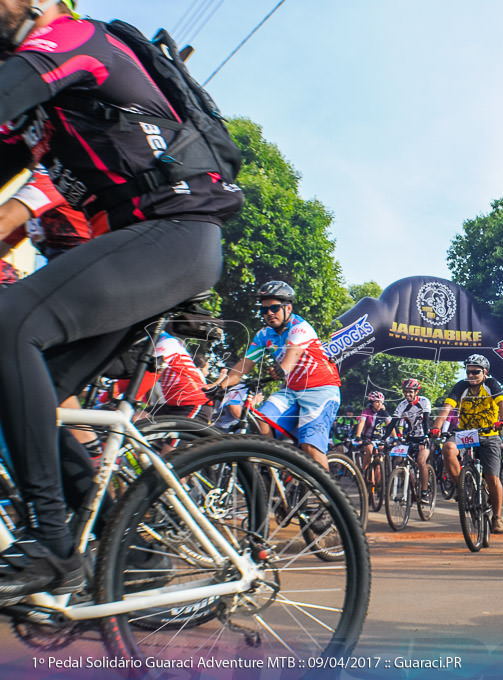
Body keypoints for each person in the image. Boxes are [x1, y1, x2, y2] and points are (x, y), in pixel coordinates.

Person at [0, 0, 242, 604]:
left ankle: (52, 548)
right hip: (143, 248)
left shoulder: (76, 39)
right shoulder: (52, 114)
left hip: (175, 234)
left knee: (8, 327)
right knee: (28, 392)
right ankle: (119, 549)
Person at [222, 282, 341, 469]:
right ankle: (272, 473)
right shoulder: (263, 334)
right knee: (261, 423)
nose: (269, 313)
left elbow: (291, 356)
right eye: (264, 309)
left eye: (274, 308)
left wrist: (281, 369)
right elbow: (245, 364)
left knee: (310, 446)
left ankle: (327, 496)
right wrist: (219, 385)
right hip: (291, 391)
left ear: (288, 308)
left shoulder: (300, 327)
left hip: (321, 391)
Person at [431, 355, 503, 534]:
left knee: (492, 478)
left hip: (489, 434)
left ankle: (497, 517)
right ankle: (461, 486)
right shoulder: (461, 386)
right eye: (468, 371)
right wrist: (436, 426)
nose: (471, 375)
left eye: (475, 371)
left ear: (485, 373)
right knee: (448, 448)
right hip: (465, 433)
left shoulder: (492, 385)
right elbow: (447, 408)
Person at [149, 330, 219, 422]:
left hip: (193, 405)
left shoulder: (167, 342)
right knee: (137, 417)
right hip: (173, 404)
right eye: (206, 369)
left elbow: (147, 372)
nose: (207, 373)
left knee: (169, 433)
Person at [388, 379, 432, 498]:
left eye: (410, 392)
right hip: (411, 438)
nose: (407, 394)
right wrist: (385, 437)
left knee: (421, 461)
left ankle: (424, 491)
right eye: (405, 392)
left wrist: (426, 436)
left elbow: (426, 421)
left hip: (424, 437)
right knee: (399, 460)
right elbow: (393, 423)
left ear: (416, 391)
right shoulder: (402, 404)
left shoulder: (424, 401)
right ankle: (410, 483)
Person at [354, 391, 391, 467]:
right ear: (372, 403)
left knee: (379, 459)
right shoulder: (366, 411)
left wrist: (396, 437)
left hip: (378, 437)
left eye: (381, 402)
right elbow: (361, 423)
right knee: (369, 451)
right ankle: (364, 472)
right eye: (377, 402)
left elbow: (390, 425)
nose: (379, 404)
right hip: (367, 437)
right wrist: (358, 436)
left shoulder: (384, 413)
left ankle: (379, 477)